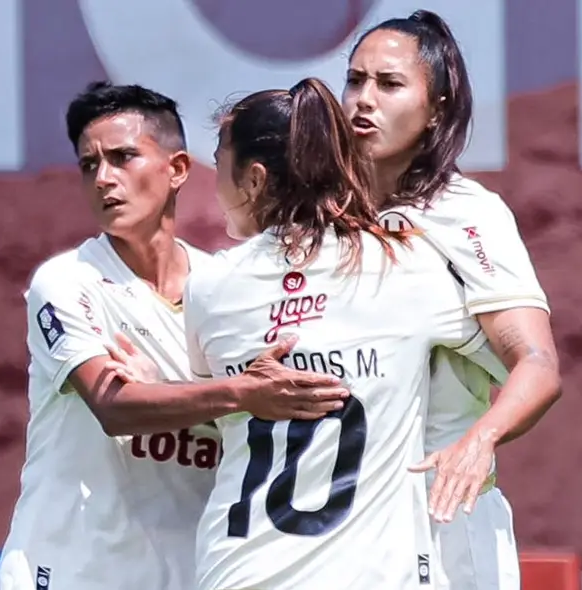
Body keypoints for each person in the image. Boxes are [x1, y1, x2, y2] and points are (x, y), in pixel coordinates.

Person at [0, 82, 350, 590]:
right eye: (89, 165)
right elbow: (115, 407)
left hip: (187, 573)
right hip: (67, 572)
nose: (104, 179)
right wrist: (236, 394)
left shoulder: (222, 289)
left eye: (123, 157)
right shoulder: (67, 282)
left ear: (177, 169)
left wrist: (164, 389)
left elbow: (267, 417)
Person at [184, 77, 504, 590]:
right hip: (369, 575)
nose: (214, 184)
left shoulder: (210, 288)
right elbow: (513, 359)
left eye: (219, 164)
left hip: (239, 571)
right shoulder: (405, 266)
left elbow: (211, 408)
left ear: (255, 179)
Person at [342, 9, 563, 590]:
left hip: (441, 518)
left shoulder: (468, 213)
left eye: (389, 84)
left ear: (436, 106)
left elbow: (537, 366)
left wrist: (479, 440)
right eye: (355, 80)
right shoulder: (321, 219)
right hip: (340, 528)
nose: (364, 100)